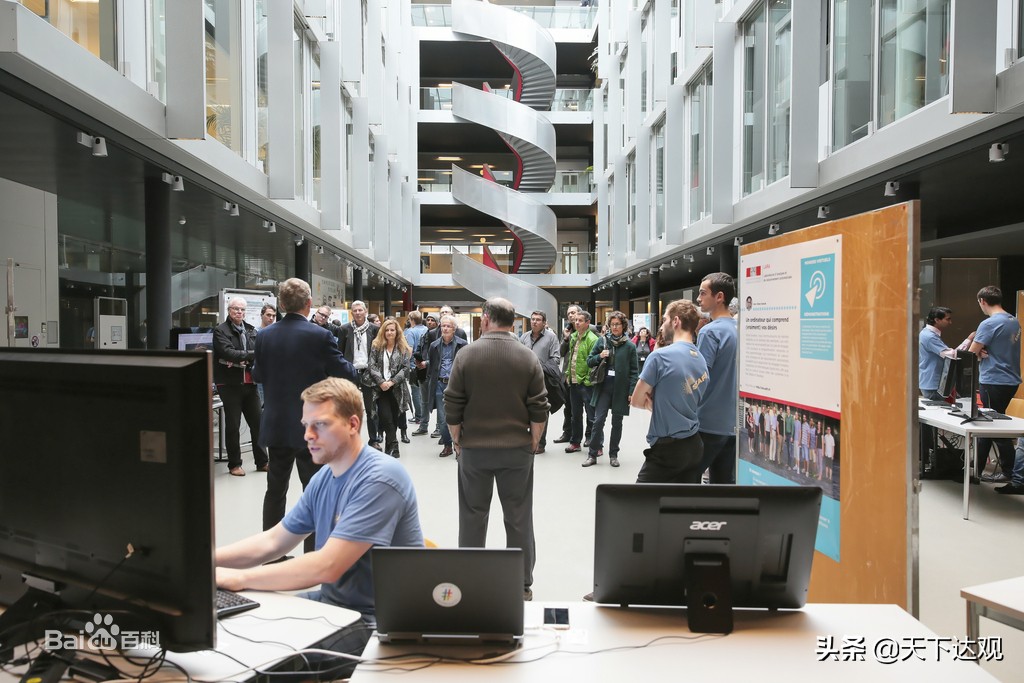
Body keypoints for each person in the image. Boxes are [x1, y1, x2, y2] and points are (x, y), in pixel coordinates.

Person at [216, 377, 423, 675]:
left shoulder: (380, 478)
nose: (308, 435)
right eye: (305, 425)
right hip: (332, 604)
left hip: (377, 622)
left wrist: (239, 579)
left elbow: (327, 566)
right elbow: (274, 542)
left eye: (320, 425)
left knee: (267, 664)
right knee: (244, 632)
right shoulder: (325, 478)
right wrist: (204, 561)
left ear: (353, 424)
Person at [444, 298, 549, 601]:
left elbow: (453, 403)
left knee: (473, 515)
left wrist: (457, 439)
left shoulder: (466, 355)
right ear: (514, 323)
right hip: (516, 450)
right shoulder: (527, 357)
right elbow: (539, 406)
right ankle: (521, 583)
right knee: (518, 516)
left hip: (474, 450)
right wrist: (533, 441)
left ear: (485, 319)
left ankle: (472, 578)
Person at [252, 278, 357, 551]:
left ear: (281, 304)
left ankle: (271, 553)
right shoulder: (319, 336)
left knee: (275, 490)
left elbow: (257, 375)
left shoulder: (263, 336)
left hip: (276, 425)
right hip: (313, 428)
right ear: (309, 304)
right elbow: (345, 372)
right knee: (315, 492)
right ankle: (313, 552)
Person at [629, 299, 709, 483]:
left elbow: (636, 400)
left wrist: (655, 402)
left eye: (665, 320)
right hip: (694, 445)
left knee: (639, 504)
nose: (662, 325)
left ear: (676, 321)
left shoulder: (660, 357)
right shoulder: (700, 358)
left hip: (668, 450)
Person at [969, 286, 1022, 483]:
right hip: (1011, 379)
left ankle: (1008, 472)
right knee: (992, 425)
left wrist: (979, 350)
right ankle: (977, 471)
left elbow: (972, 351)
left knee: (992, 427)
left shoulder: (988, 323)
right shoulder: (1012, 320)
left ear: (982, 301)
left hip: (993, 379)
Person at [213, 297, 269, 477]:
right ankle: (234, 464)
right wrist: (245, 356)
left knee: (258, 424)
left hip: (250, 382)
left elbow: (257, 355)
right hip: (229, 384)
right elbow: (227, 352)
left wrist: (242, 357)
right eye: (236, 309)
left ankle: (262, 462)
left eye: (242, 310)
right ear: (229, 310)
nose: (239, 312)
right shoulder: (220, 330)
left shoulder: (251, 330)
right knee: (233, 426)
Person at [694, 272, 739, 484]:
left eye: (703, 293)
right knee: (724, 484)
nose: (698, 298)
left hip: (708, 422)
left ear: (719, 296)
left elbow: (701, 379)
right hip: (733, 423)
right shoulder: (741, 330)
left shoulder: (709, 333)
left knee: (688, 478)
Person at [583, 311, 638, 468]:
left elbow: (635, 371)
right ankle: (592, 454)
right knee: (598, 421)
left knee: (617, 423)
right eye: (612, 324)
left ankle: (613, 454)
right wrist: (600, 356)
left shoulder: (630, 346)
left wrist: (631, 392)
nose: (615, 327)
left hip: (621, 390)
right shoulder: (602, 342)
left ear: (623, 326)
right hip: (603, 388)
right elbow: (589, 361)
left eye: (617, 324)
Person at [367, 318, 414, 458]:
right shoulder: (376, 345)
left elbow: (405, 368)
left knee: (394, 418)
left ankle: (389, 447)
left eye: (392, 330)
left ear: (397, 331)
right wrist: (381, 382)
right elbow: (371, 365)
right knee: (385, 417)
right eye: (387, 330)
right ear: (383, 331)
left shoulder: (403, 347)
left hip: (397, 388)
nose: (389, 332)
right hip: (380, 388)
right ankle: (394, 445)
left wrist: (392, 382)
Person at [338, 301, 381, 449]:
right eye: (355, 310)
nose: (357, 313)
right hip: (351, 372)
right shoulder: (344, 329)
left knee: (371, 408)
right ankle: (349, 439)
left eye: (360, 310)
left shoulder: (374, 329)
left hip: (368, 372)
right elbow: (340, 351)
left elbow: (378, 352)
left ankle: (374, 439)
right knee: (349, 408)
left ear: (366, 311)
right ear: (351, 312)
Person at [520, 310, 561, 453]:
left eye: (538, 320)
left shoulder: (551, 337)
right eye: (532, 319)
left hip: (542, 381)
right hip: (524, 381)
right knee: (524, 410)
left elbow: (555, 359)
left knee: (542, 411)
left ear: (544, 323)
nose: (534, 322)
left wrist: (538, 366)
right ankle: (527, 439)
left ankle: (540, 443)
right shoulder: (524, 337)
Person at [426, 315, 468, 457]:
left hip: (456, 385)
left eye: (448, 326)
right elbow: (432, 367)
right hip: (439, 384)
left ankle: (459, 446)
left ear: (454, 329)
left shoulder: (463, 345)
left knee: (459, 417)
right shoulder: (434, 345)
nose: (445, 328)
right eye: (443, 326)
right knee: (443, 419)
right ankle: (447, 445)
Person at [564, 310, 600, 454]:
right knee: (575, 415)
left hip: (586, 384)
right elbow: (571, 358)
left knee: (592, 416)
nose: (576, 322)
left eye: (580, 320)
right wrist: (568, 374)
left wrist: (585, 380)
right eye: (576, 320)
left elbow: (594, 362)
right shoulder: (573, 337)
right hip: (573, 382)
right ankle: (575, 442)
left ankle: (594, 442)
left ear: (587, 323)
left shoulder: (592, 339)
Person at [554, 304, 583, 444]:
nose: (571, 315)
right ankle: (568, 433)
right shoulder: (567, 331)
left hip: (583, 376)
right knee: (568, 407)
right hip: (568, 376)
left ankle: (588, 437)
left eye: (573, 312)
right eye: (569, 313)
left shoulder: (588, 329)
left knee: (587, 409)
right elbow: (561, 352)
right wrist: (566, 338)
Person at [412, 313, 439, 436]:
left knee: (439, 401)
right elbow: (418, 348)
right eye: (427, 319)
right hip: (422, 371)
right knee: (424, 401)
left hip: (435, 372)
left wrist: (426, 363)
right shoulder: (424, 335)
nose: (429, 322)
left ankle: (439, 428)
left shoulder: (440, 336)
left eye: (432, 320)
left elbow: (440, 356)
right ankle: (423, 426)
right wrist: (417, 360)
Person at [404, 311, 428, 426]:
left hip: (415, 365)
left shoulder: (410, 332)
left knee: (415, 392)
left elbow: (410, 349)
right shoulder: (427, 330)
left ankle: (418, 416)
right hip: (426, 364)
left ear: (411, 320)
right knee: (424, 393)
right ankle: (424, 417)